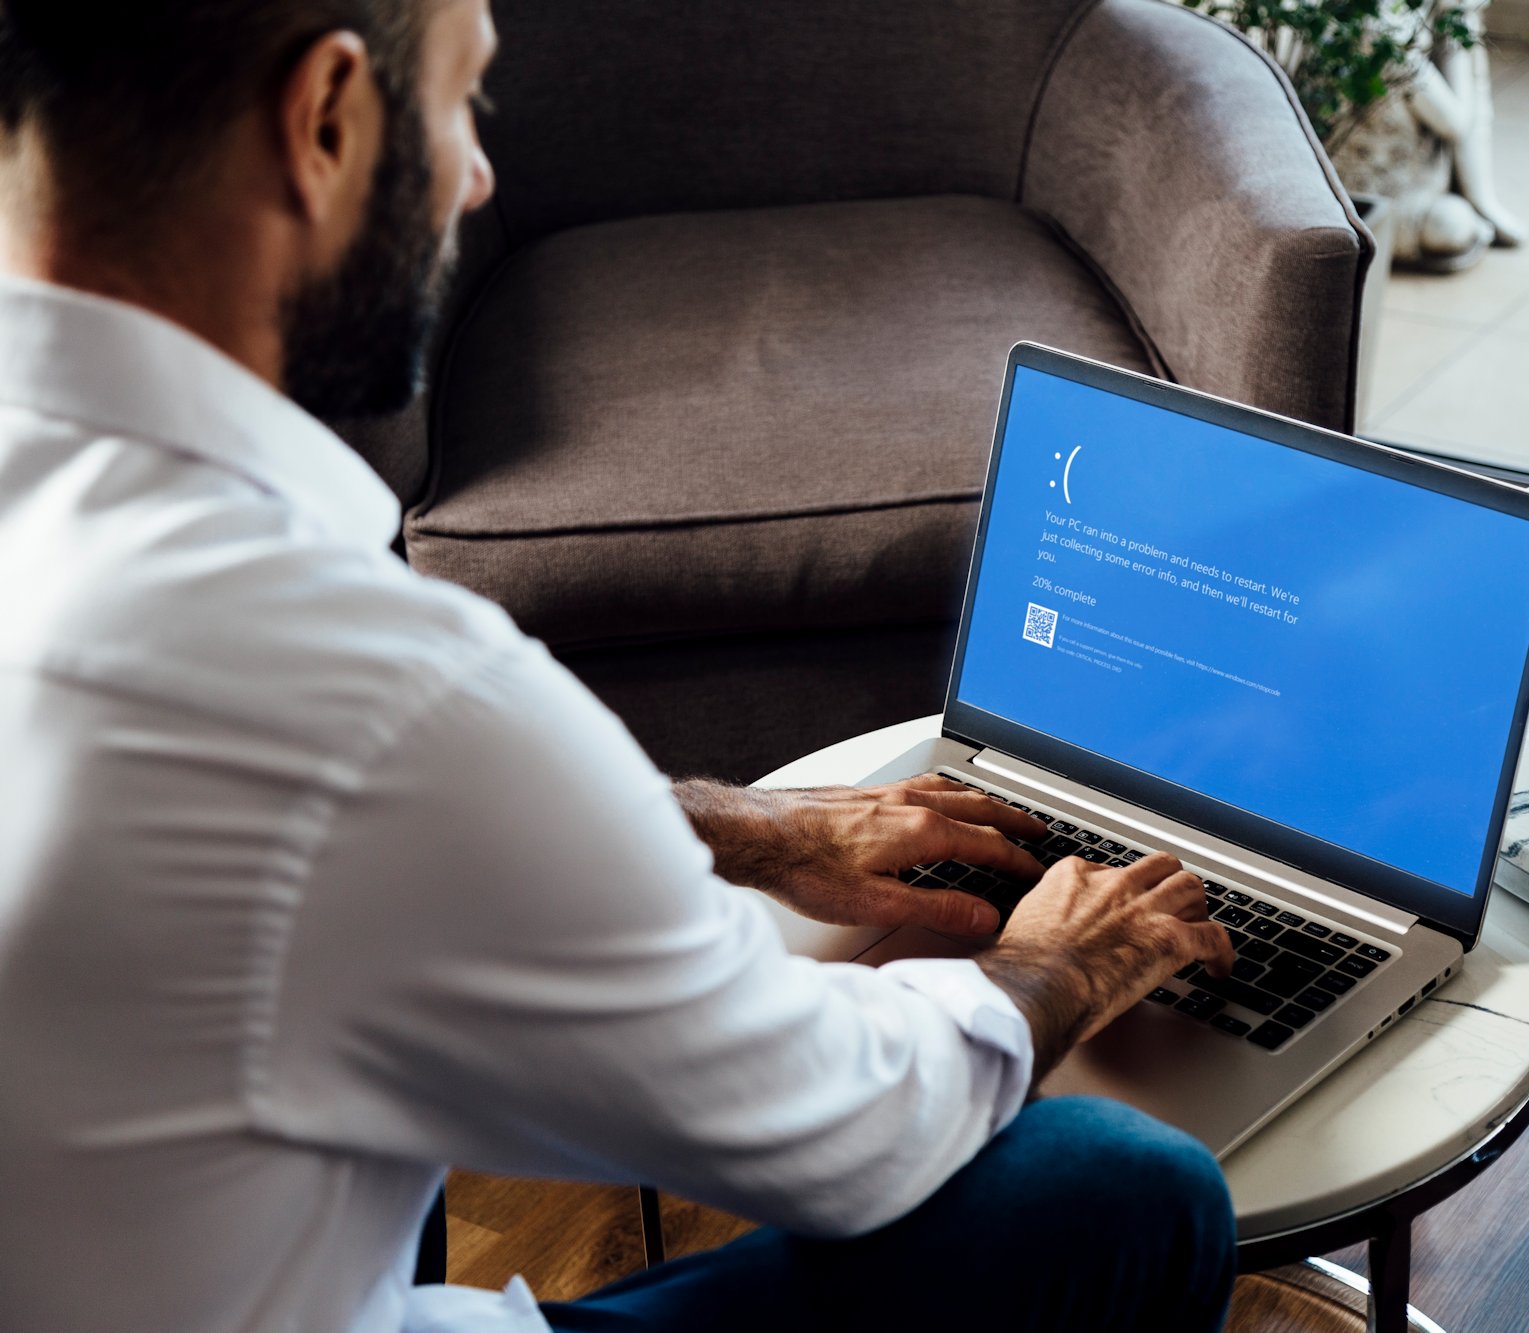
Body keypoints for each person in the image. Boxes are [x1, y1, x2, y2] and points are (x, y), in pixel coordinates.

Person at [0, 2, 1241, 1330]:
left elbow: (254, 851)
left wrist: (728, 826)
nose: (474, 174)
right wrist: (1056, 963)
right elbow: (842, 1129)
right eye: (461, 103)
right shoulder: (369, 694)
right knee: (1120, 1186)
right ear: (325, 120)